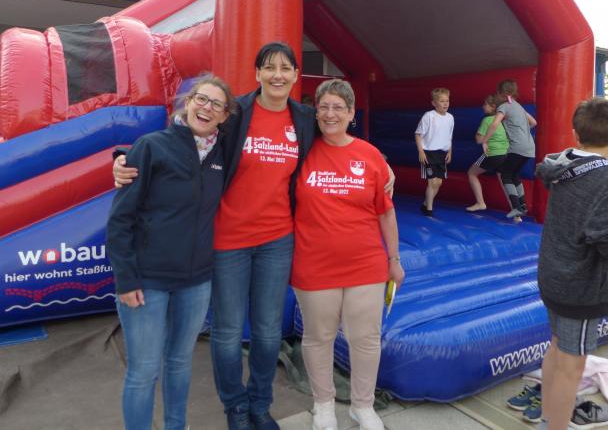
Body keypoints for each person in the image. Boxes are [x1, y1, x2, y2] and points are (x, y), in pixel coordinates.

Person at [115, 42, 316, 430]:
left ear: (295, 75)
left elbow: (336, 143)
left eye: (285, 68)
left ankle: (260, 403)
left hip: (277, 239)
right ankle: (235, 407)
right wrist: (124, 159)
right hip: (228, 240)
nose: (277, 75)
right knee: (227, 332)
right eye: (269, 67)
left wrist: (383, 166)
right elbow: (187, 140)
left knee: (267, 331)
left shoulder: (304, 118)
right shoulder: (236, 113)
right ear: (257, 73)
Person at [106, 75, 236, 430]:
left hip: (196, 281)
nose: (206, 108)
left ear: (225, 116)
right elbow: (120, 220)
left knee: (179, 362)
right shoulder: (151, 146)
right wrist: (125, 279)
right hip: (147, 281)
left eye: (217, 104)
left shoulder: (223, 153)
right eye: (201, 99)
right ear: (188, 102)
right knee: (144, 370)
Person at [292, 79, 405, 430]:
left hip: (365, 263)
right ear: (315, 112)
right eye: (324, 107)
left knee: (365, 338)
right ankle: (323, 404)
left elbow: (386, 212)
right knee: (318, 337)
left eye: (338, 107)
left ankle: (362, 405)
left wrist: (394, 260)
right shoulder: (301, 151)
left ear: (351, 113)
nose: (330, 114)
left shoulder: (369, 155)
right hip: (314, 263)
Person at [533, 97, 608, 430]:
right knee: (572, 367)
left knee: (557, 348)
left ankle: (548, 417)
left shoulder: (562, 166)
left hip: (552, 275)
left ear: (576, 133)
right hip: (580, 286)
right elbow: (604, 240)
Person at [477, 80, 536, 219]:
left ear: (501, 94)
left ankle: (516, 207)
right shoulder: (518, 106)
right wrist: (521, 132)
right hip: (529, 147)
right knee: (514, 174)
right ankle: (523, 206)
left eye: (497, 93)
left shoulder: (503, 107)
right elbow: (534, 122)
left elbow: (494, 124)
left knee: (505, 174)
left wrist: (485, 140)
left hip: (517, 147)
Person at [415, 87, 454, 216]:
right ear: (434, 103)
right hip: (429, 153)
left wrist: (449, 151)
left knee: (439, 182)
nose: (445, 104)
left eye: (447, 101)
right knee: (432, 181)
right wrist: (421, 151)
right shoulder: (429, 116)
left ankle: (426, 203)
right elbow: (418, 134)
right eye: (442, 101)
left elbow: (449, 136)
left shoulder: (450, 118)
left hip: (442, 153)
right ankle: (429, 209)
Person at [466, 94, 508, 212]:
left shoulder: (487, 120)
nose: (483, 106)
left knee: (471, 173)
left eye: (485, 104)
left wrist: (481, 138)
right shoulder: (503, 120)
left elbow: (479, 140)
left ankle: (480, 203)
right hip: (506, 154)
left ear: (493, 106)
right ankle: (517, 212)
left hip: (493, 154)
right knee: (506, 181)